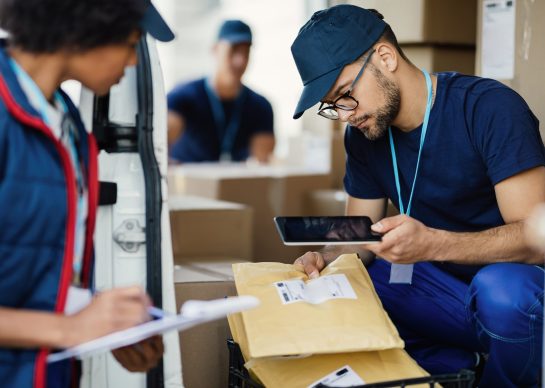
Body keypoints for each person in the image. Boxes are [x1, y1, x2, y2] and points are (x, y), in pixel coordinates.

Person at [290, 5, 545, 388]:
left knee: (504, 292)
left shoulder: (489, 108)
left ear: (386, 57)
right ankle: (461, 368)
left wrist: (431, 243)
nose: (344, 114)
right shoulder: (364, 134)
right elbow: (357, 239)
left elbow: (536, 239)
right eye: (332, 105)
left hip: (510, 296)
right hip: (438, 294)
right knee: (352, 284)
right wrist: (325, 258)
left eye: (345, 95)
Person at [0, 0, 174, 386]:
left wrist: (103, 320)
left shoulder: (67, 124)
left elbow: (37, 269)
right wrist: (69, 329)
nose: (132, 62)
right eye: (129, 44)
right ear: (84, 29)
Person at [167, 19, 275, 163]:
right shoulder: (183, 97)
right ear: (215, 49)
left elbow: (262, 163)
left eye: (246, 51)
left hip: (235, 184)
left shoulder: (260, 106)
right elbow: (159, 144)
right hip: (190, 183)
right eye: (234, 49)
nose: (240, 60)